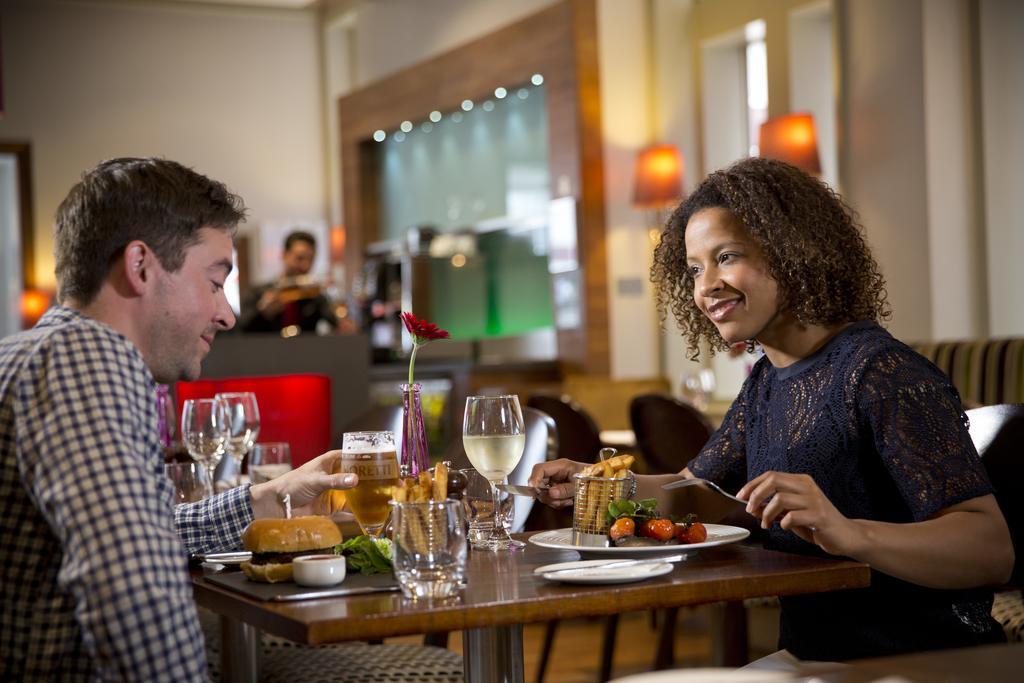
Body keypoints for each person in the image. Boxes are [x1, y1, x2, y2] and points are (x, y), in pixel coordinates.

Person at [529, 157, 1014, 662]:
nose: (705, 285)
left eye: (727, 257)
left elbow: (989, 549)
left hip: (919, 661)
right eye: (695, 268)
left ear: (794, 253)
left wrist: (847, 532)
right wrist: (603, 484)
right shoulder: (768, 381)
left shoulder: (883, 374)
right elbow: (696, 492)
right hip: (811, 659)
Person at [0, 158, 357, 680]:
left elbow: (145, 532)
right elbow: (134, 588)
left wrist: (267, 497)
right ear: (141, 266)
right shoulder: (89, 358)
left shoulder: (32, 353)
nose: (227, 313)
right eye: (215, 282)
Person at [238, 230, 339, 334]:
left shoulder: (314, 297)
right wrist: (263, 313)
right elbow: (242, 329)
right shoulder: (257, 292)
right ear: (284, 255)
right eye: (300, 258)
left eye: (311, 259)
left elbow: (337, 322)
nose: (306, 266)